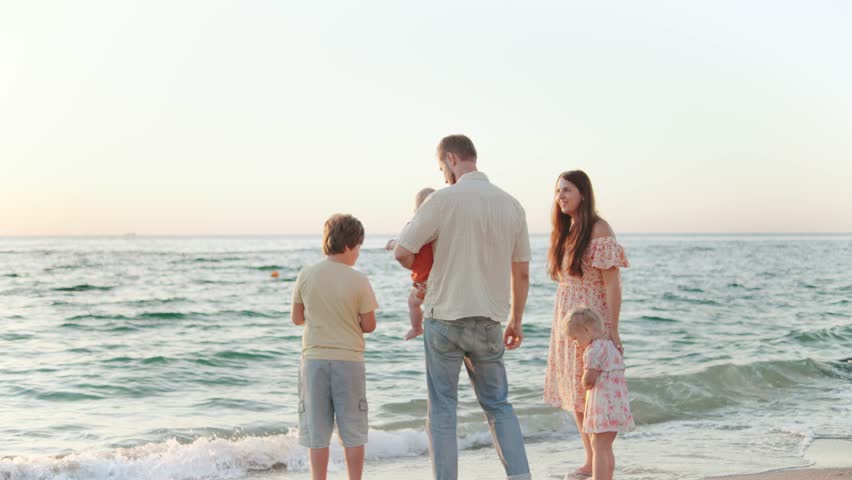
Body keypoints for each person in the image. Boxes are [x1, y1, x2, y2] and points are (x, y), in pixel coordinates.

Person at [393, 134, 532, 480]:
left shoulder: (443, 200)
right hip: (489, 321)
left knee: (442, 411)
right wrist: (516, 320)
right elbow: (523, 271)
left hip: (444, 318)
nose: (443, 176)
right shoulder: (511, 204)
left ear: (452, 159)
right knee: (498, 406)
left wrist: (425, 273)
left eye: (442, 168)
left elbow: (402, 250)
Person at [542, 170, 629, 477]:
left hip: (592, 320)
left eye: (567, 190)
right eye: (557, 192)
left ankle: (600, 458)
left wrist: (612, 329)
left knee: (595, 390)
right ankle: (591, 458)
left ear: (583, 193)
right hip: (567, 321)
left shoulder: (599, 229)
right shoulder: (566, 230)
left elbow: (612, 284)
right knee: (575, 392)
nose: (561, 197)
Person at [291, 213, 379, 480]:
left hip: (314, 361)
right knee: (352, 429)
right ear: (350, 246)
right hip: (349, 362)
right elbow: (369, 324)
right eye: (359, 248)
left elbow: (297, 318)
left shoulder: (306, 274)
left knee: (317, 431)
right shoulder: (359, 279)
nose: (358, 254)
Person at [564, 306, 634, 480]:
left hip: (604, 408)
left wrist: (582, 380)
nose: (575, 343)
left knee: (598, 446)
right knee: (606, 446)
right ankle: (607, 476)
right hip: (617, 406)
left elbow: (589, 380)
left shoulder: (593, 350)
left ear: (587, 330)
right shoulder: (611, 346)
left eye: (575, 338)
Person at [384, 187, 436, 340]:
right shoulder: (441, 226)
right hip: (439, 278)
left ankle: (416, 328)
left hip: (424, 280)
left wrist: (392, 243)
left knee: (413, 303)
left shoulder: (415, 226)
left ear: (417, 209)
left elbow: (402, 247)